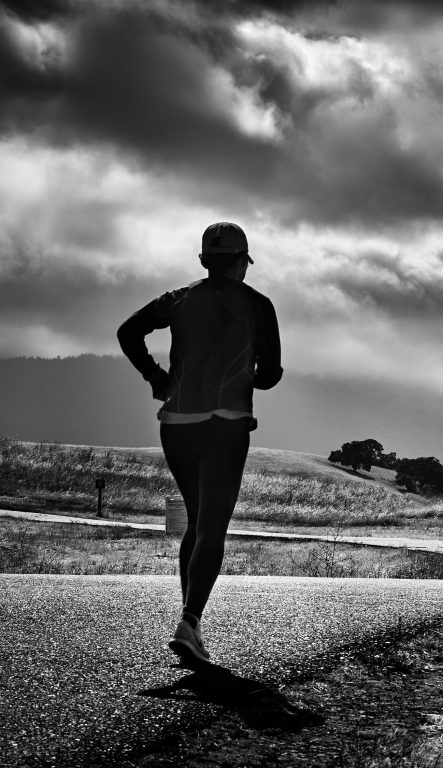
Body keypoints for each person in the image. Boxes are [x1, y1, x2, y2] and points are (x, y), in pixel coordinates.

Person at [117, 222, 282, 663]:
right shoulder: (259, 305)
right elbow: (270, 376)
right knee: (212, 527)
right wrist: (250, 369)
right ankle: (189, 622)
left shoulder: (178, 299)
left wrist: (156, 377)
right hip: (225, 425)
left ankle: (190, 623)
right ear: (241, 264)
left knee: (196, 521)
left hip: (176, 424)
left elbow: (127, 332)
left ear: (206, 261)